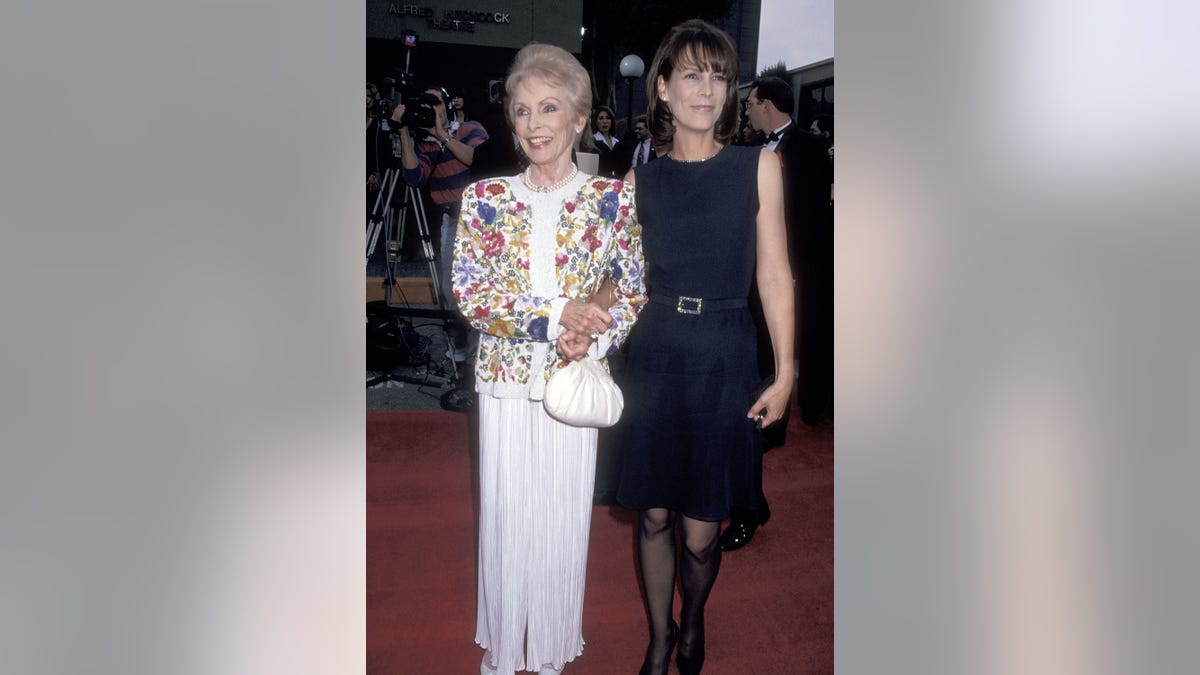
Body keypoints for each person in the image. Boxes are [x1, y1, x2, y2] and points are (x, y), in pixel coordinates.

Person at [452, 42, 647, 675]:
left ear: (579, 118)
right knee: (508, 519)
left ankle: (554, 648)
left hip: (571, 384)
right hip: (506, 382)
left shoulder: (612, 202)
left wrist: (592, 336)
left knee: (561, 521)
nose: (534, 125)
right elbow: (472, 293)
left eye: (549, 108)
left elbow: (634, 288)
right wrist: (555, 314)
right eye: (522, 110)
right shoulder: (485, 199)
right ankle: (507, 649)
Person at [613, 20, 793, 675]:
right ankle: (662, 637)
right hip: (655, 351)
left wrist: (786, 370)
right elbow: (621, 282)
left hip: (723, 353)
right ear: (661, 89)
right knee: (654, 515)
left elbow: (774, 273)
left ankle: (696, 623)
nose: (707, 88)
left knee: (700, 530)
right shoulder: (641, 182)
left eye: (719, 75)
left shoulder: (759, 166)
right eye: (691, 73)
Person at [719, 75, 834, 552]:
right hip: (747, 289)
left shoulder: (812, 147)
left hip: (791, 283)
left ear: (766, 104)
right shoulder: (744, 152)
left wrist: (797, 280)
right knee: (750, 389)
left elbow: (814, 220)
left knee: (764, 385)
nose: (745, 111)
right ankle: (752, 492)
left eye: (749, 103)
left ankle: (751, 495)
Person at [390, 86, 489, 360]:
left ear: (446, 105)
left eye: (435, 103)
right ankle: (458, 351)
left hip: (481, 219)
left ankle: (478, 354)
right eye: (425, 104)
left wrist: (442, 136)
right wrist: (404, 133)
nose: (431, 109)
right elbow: (414, 178)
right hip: (450, 219)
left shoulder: (469, 129)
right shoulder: (425, 143)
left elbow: (476, 158)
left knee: (481, 287)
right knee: (449, 289)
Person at [590, 105, 624, 178]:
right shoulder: (592, 141)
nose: (604, 122)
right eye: (601, 118)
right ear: (596, 122)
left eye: (608, 118)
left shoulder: (617, 142)